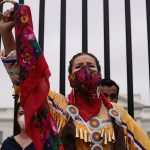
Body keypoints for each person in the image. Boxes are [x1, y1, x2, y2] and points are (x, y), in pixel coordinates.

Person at [0, 1, 150, 150]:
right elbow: (27, 79)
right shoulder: (58, 106)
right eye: (78, 67)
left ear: (99, 75)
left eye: (91, 66)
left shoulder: (118, 114)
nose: (86, 69)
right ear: (70, 77)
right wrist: (6, 33)